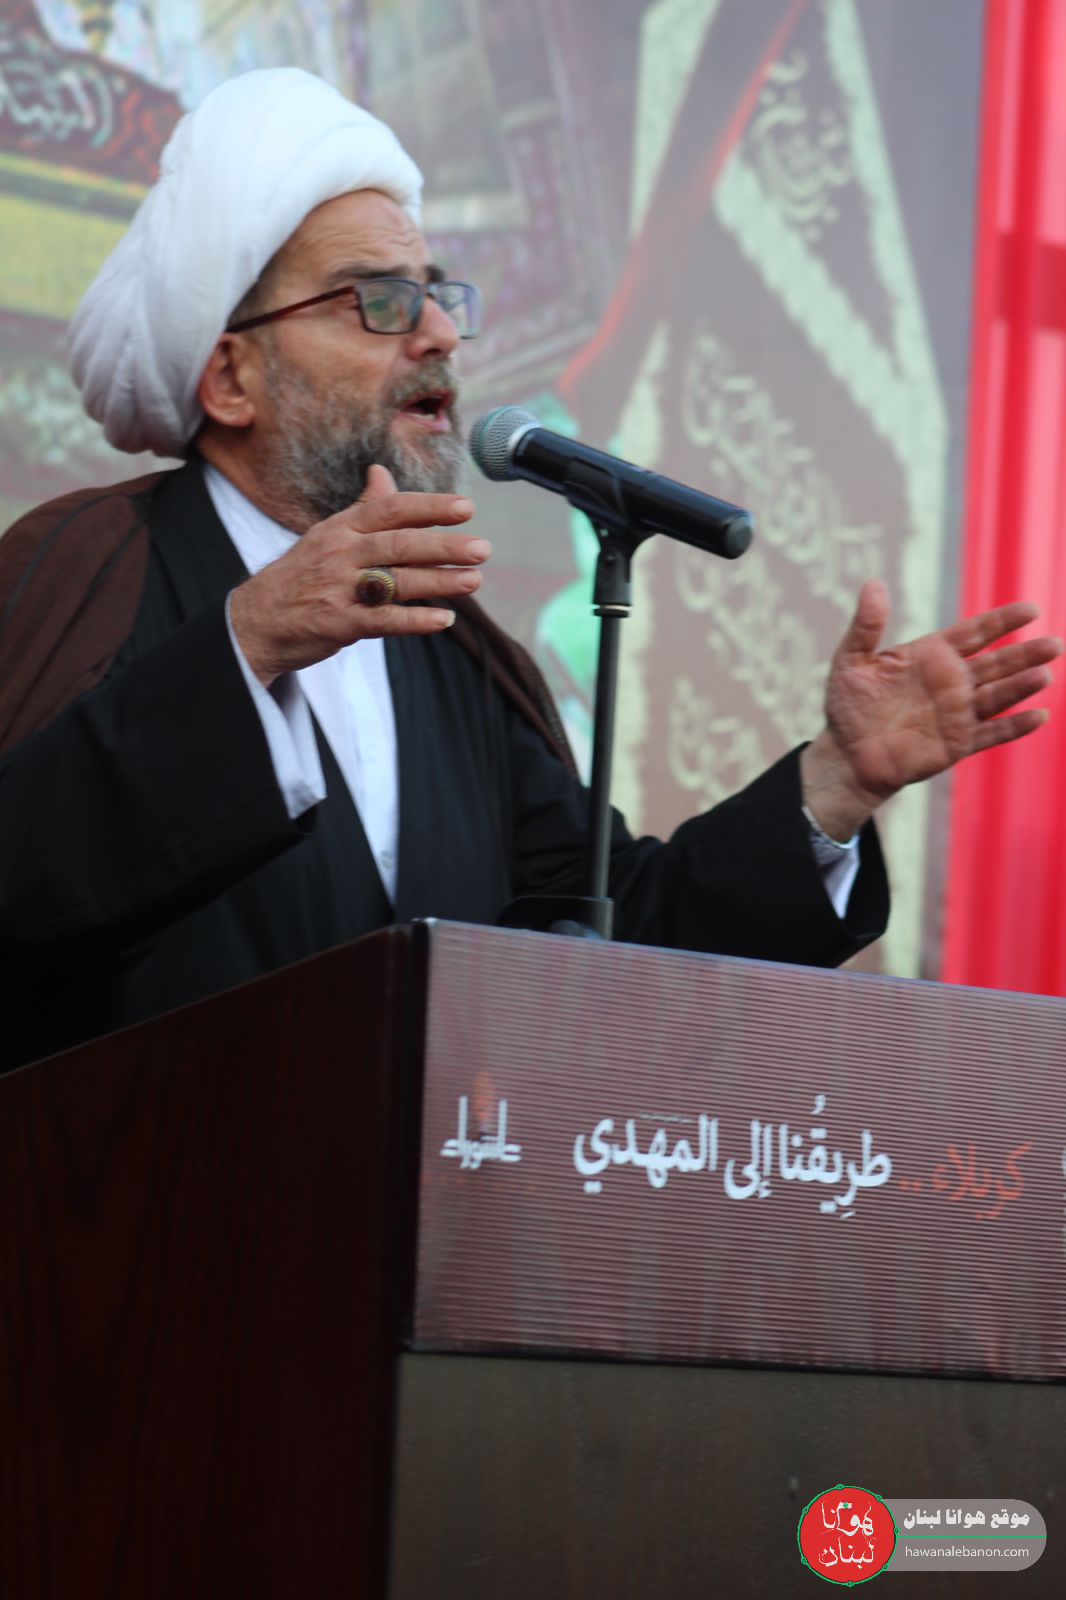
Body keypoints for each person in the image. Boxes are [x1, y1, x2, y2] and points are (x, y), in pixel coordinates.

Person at [0, 68, 1058, 1074]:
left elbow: (615, 947)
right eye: (379, 301)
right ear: (230, 377)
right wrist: (249, 644)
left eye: (436, 297)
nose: (439, 335)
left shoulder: (452, 652)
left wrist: (835, 782)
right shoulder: (85, 573)